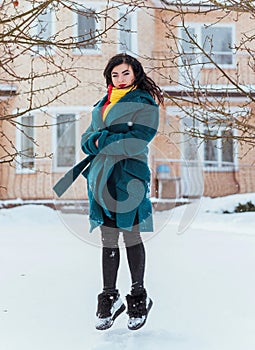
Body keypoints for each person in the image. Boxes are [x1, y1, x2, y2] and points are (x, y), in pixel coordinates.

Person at [80, 53, 164, 331]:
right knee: (108, 236)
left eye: (125, 73)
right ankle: (109, 297)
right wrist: (99, 141)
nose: (120, 79)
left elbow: (137, 140)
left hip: (129, 177)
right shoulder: (102, 103)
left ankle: (138, 296)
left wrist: (100, 140)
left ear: (135, 73)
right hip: (102, 176)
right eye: (115, 75)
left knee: (130, 234)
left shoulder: (144, 102)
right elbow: (85, 140)